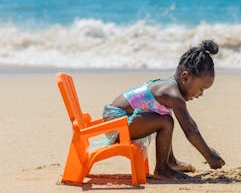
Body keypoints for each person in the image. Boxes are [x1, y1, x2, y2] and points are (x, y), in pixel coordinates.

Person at [96, 39, 225, 180]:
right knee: (165, 122)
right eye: (201, 89)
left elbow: (191, 125)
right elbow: (189, 129)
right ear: (186, 77)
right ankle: (162, 169)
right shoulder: (173, 95)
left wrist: (207, 150)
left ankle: (171, 162)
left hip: (117, 120)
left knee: (164, 119)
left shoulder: (171, 87)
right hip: (116, 122)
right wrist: (209, 156)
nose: (201, 94)